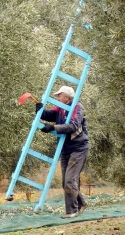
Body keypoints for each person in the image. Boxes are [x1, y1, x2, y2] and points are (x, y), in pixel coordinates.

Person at [35, 85, 89, 219]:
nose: (57, 98)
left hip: (79, 148)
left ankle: (72, 211)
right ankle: (81, 203)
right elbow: (49, 115)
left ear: (66, 97)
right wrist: (39, 109)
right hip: (65, 149)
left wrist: (54, 127)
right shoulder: (60, 108)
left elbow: (74, 126)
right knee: (66, 181)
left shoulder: (77, 107)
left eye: (59, 95)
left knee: (69, 180)